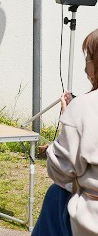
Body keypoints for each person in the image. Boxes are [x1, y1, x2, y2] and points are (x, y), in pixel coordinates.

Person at [32, 28, 98, 235]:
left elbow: (60, 172)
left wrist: (69, 120)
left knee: (56, 195)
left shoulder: (85, 107)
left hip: (91, 220)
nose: (85, 67)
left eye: (88, 58)